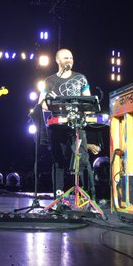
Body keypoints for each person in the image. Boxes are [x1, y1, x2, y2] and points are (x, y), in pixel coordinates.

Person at [39, 48, 96, 199]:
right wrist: (53, 105)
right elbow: (42, 103)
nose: (69, 60)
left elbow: (88, 101)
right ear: (57, 60)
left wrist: (85, 111)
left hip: (77, 125)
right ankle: (58, 197)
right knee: (58, 161)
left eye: (71, 57)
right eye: (65, 58)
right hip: (57, 126)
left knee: (82, 159)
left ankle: (87, 196)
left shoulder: (80, 78)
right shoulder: (49, 81)